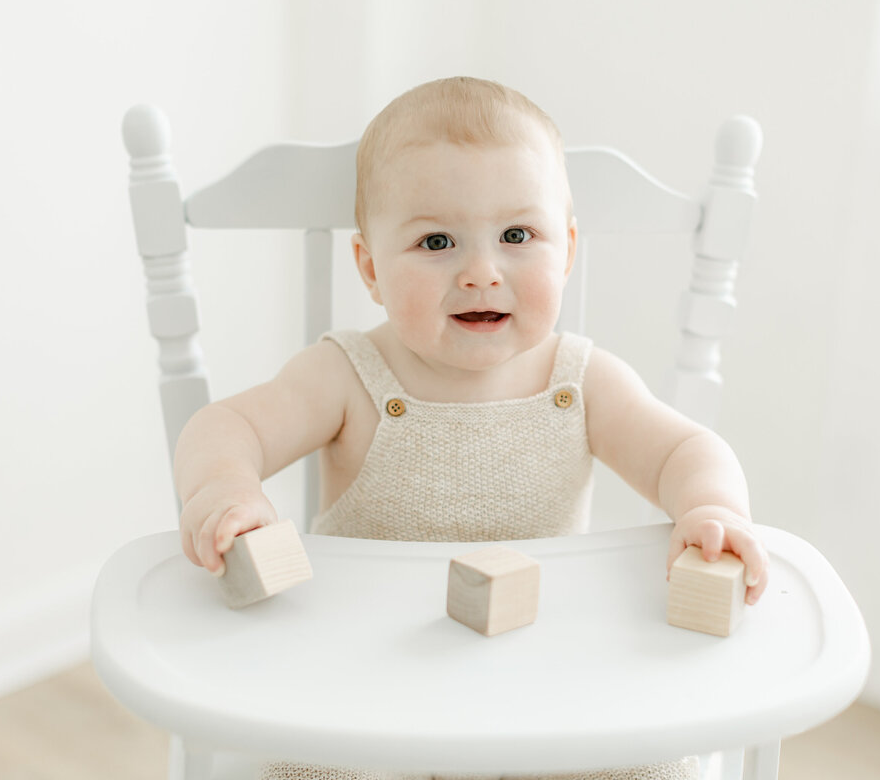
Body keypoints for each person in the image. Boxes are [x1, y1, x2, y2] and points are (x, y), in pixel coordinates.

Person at [174, 76, 769, 780]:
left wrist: (711, 507)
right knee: (306, 762)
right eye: (436, 241)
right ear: (370, 267)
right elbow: (226, 424)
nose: (482, 272)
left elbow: (684, 448)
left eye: (517, 235)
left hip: (539, 675)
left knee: (656, 759)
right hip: (371, 677)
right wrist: (226, 491)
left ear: (567, 249)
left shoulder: (581, 381)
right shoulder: (348, 376)